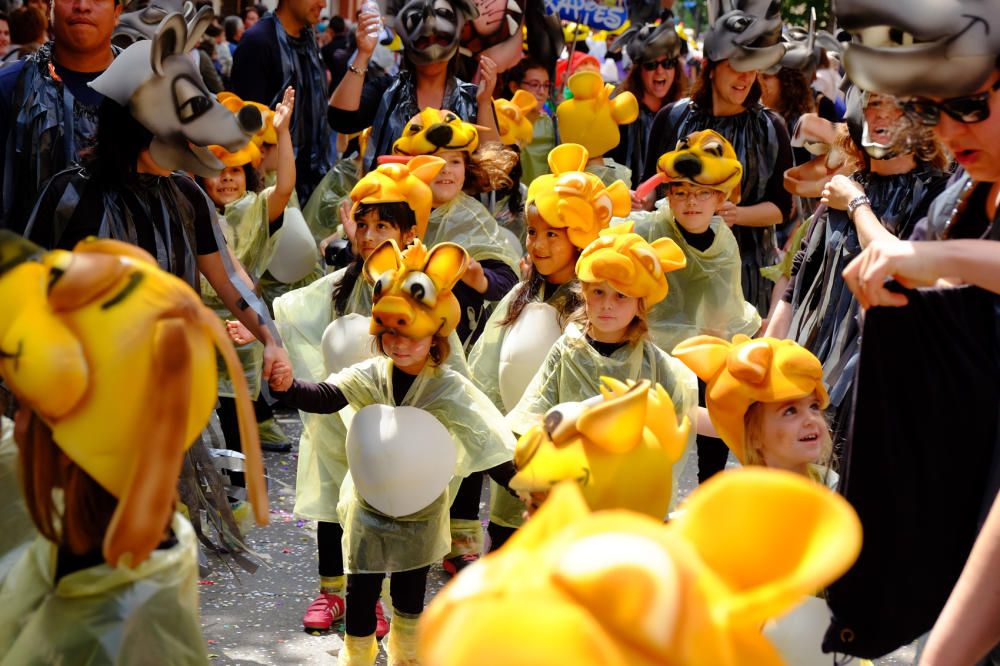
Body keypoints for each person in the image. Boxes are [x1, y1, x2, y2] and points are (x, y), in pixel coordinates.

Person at [820, 0, 1000, 657]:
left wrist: (938, 260)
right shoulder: (960, 196)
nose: (950, 129)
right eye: (931, 108)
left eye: (970, 104)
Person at [0, 232, 266, 664]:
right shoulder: (154, 543)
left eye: (25, 406)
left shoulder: (100, 636)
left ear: (72, 450)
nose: (18, 424)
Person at [268, 238, 516, 666]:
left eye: (410, 336)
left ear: (436, 334)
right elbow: (330, 394)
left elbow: (486, 442)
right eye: (389, 335)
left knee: (408, 595)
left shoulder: (448, 387)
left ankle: (407, 657)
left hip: (419, 514)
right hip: (367, 509)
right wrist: (288, 387)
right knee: (361, 593)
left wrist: (523, 485)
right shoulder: (372, 372)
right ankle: (357, 658)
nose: (399, 345)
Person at [266, 155, 446, 634]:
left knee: (383, 508)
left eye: (382, 225)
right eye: (361, 224)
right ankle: (332, 594)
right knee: (331, 502)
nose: (367, 236)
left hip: (392, 425)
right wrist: (260, 333)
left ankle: (376, 599)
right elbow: (293, 309)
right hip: (334, 412)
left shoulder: (419, 287)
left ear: (410, 232)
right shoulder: (343, 286)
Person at [467, 142, 630, 549]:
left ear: (580, 236)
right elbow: (486, 370)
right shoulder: (521, 295)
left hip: (574, 458)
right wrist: (491, 437)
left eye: (552, 235)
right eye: (533, 233)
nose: (538, 245)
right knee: (509, 543)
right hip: (519, 454)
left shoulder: (596, 307)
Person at [767, 88, 949, 443]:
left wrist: (855, 203)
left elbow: (902, 264)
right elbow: (796, 287)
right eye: (872, 103)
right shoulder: (842, 189)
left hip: (877, 380)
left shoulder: (936, 195)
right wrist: (766, 359)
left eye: (895, 104)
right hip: (808, 375)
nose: (881, 114)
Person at [506, 222, 698, 510]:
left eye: (621, 295)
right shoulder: (566, 350)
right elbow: (536, 411)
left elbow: (683, 412)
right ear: (584, 293)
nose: (608, 304)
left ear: (639, 304)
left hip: (629, 485)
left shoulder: (651, 359)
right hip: (576, 481)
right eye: (598, 292)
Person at [642, 5, 792, 324]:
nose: (746, 78)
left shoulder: (771, 127)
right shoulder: (672, 118)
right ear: (712, 66)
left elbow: (783, 206)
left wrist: (736, 214)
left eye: (753, 69)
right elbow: (651, 190)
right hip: (677, 272)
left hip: (747, 276)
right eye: (737, 66)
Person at [327, 0, 499, 173]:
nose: (432, 46)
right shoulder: (387, 92)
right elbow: (341, 119)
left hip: (457, 199)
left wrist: (484, 104)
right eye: (423, 40)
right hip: (392, 197)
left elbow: (494, 164)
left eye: (441, 38)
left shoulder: (472, 98)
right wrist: (363, 54)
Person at [0, 0, 122, 234]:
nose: (83, 5)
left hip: (133, 266)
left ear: (117, 12)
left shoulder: (148, 90)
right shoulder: (10, 88)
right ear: (50, 9)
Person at [673, 334, 835, 487]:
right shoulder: (741, 501)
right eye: (790, 411)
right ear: (754, 435)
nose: (810, 419)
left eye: (814, 406)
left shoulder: (835, 487)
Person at [230, 0, 332, 203]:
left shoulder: (308, 38)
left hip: (313, 181)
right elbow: (246, 127)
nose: (323, 4)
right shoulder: (258, 41)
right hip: (274, 190)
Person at [608, 21, 688, 182]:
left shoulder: (684, 113)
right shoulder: (619, 110)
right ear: (639, 71)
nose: (660, 70)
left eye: (667, 63)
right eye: (651, 65)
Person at [504, 57, 556, 186]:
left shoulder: (553, 125)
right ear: (514, 87)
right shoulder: (501, 123)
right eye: (534, 84)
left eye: (546, 85)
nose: (542, 92)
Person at [320, 15, 350, 91]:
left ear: (330, 30)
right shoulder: (350, 45)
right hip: (349, 86)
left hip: (333, 89)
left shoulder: (326, 49)